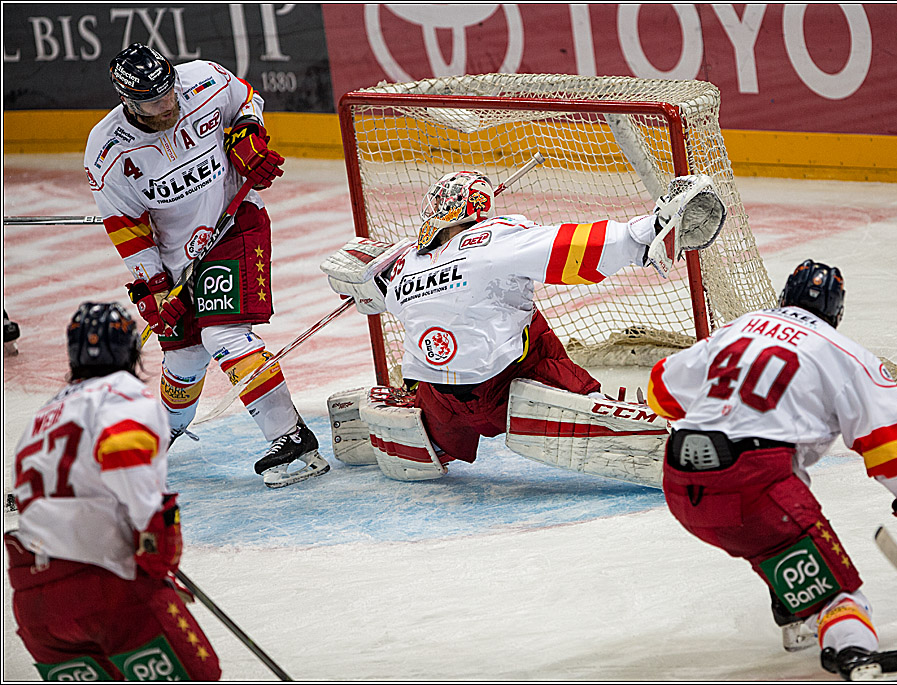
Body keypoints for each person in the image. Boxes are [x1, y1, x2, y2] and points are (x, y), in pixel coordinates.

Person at [647, 260, 897, 681]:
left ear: (784, 297)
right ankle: (852, 653)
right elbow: (888, 446)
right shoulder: (846, 354)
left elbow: (661, 391)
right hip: (752, 488)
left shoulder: (739, 329)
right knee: (841, 596)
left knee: (771, 536)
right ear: (836, 313)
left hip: (681, 485)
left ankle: (793, 608)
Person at [323, 170, 724, 480]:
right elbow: (573, 246)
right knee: (528, 323)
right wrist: (649, 231)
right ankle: (591, 401)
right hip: (509, 388)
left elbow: (361, 285)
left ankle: (426, 430)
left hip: (441, 407)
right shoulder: (493, 241)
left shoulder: (399, 267)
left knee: (429, 353)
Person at [84, 43, 325, 488]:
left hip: (233, 224)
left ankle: (291, 438)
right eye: (154, 100)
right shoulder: (107, 152)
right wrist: (154, 287)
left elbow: (246, 101)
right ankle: (164, 430)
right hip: (176, 257)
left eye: (168, 91)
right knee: (185, 356)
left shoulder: (203, 79)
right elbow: (127, 227)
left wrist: (247, 135)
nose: (168, 103)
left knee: (222, 333)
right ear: (129, 103)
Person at [6, 302, 221, 681]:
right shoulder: (124, 397)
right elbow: (133, 476)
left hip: (35, 603)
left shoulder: (43, 416)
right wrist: (158, 555)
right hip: (107, 591)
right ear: (132, 350)